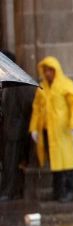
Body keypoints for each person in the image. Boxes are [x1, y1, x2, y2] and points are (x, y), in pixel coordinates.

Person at [28, 56, 73, 202]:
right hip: (49, 131)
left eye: (50, 71)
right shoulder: (42, 88)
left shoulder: (66, 85)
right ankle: (59, 192)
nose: (47, 74)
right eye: (45, 71)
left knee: (67, 161)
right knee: (55, 162)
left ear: (55, 71)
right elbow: (37, 109)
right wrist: (34, 128)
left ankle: (70, 191)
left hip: (63, 130)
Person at [0, 50, 35, 201]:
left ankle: (10, 191)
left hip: (15, 132)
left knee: (12, 164)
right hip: (6, 131)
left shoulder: (20, 86)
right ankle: (7, 189)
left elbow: (28, 109)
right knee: (7, 162)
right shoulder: (5, 83)